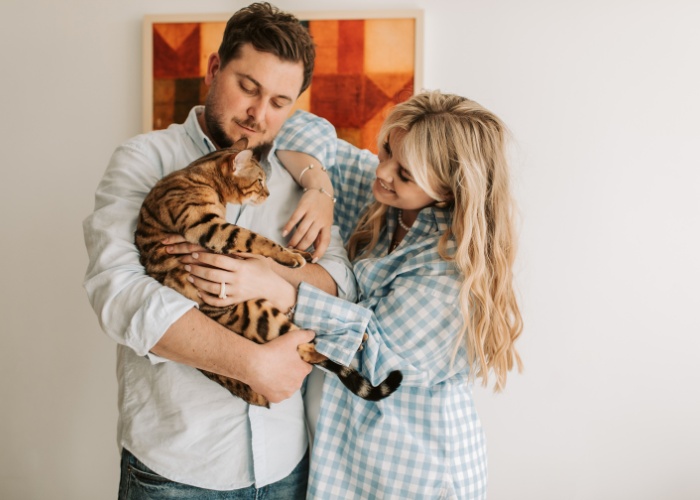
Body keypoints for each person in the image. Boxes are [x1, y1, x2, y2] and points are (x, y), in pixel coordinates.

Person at [183, 90, 524, 498]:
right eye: (386, 152)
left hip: (413, 473)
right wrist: (319, 189)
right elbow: (295, 124)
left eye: (405, 174)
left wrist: (277, 285)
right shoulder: (381, 196)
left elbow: (373, 358)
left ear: (447, 191)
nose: (383, 172)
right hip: (343, 462)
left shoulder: (452, 272)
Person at [82, 3, 357, 498]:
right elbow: (118, 295)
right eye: (248, 88)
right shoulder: (144, 159)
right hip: (175, 470)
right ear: (214, 69)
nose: (259, 115)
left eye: (279, 101)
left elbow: (341, 283)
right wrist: (252, 366)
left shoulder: (300, 177)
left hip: (288, 465)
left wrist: (272, 281)